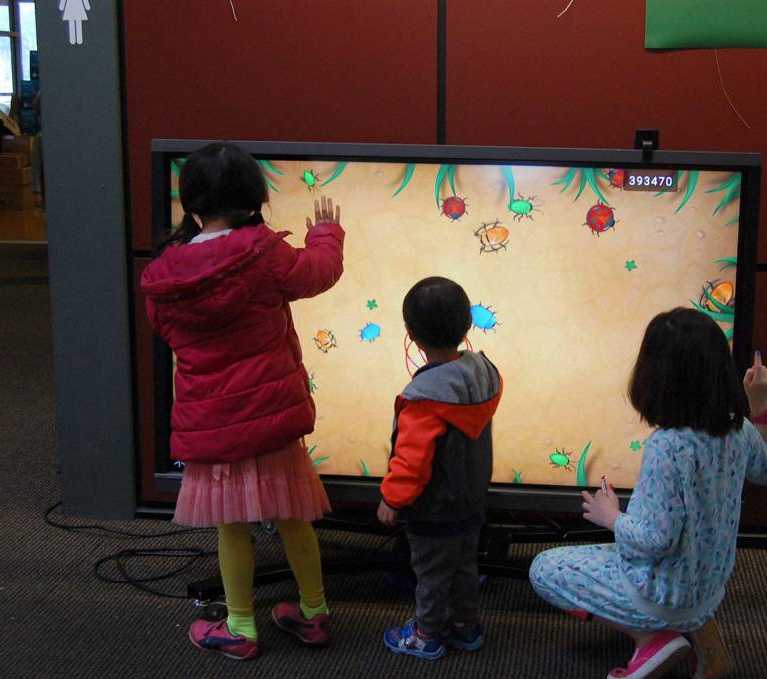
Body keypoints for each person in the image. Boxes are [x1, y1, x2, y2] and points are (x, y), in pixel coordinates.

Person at [140, 142, 344, 661]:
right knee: (293, 516)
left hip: (214, 424)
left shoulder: (167, 274)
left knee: (231, 525)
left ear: (191, 203)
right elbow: (315, 273)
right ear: (254, 197)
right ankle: (314, 613)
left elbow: (167, 332)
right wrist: (326, 234)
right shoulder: (263, 252)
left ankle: (239, 627)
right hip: (272, 420)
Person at [529, 307, 767, 679]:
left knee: (544, 569)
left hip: (664, 595)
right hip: (709, 588)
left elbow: (656, 539)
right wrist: (760, 405)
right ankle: (702, 645)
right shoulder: (740, 430)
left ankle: (651, 640)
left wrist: (610, 516)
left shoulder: (668, 446)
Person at [376, 276, 503, 661]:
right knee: (464, 565)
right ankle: (466, 627)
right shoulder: (483, 374)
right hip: (470, 501)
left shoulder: (424, 398)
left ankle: (427, 635)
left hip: (434, 510)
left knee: (430, 574)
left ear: (411, 334)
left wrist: (391, 499)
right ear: (467, 325)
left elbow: (411, 461)